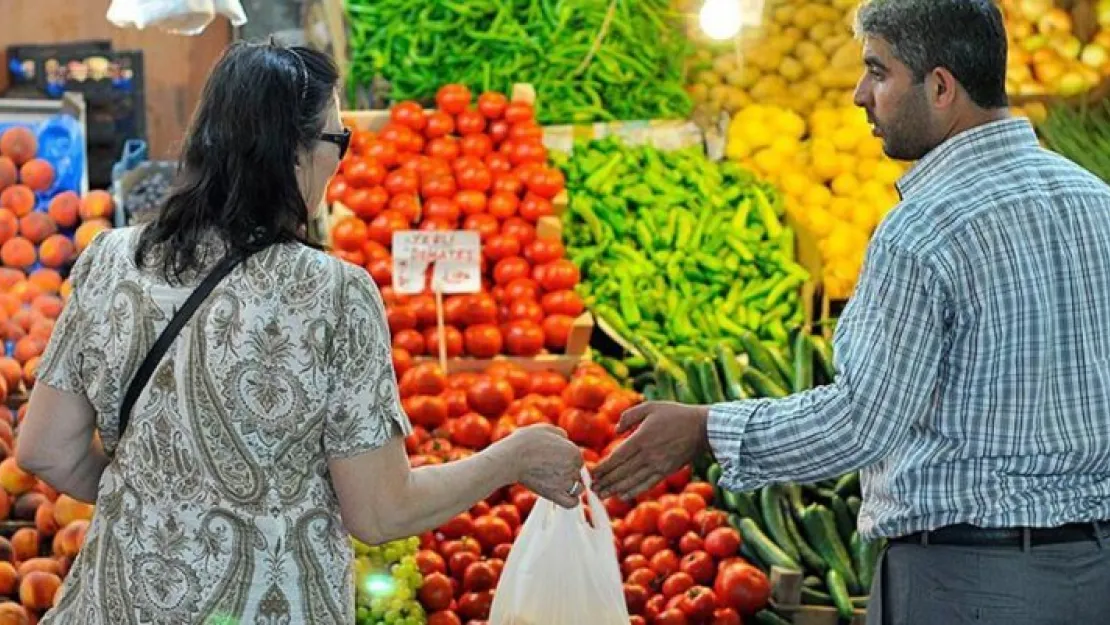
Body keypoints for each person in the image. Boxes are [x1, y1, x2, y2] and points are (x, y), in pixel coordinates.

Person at [16, 41, 584, 624]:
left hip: (117, 605)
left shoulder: (110, 259)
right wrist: (511, 458)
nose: (340, 160)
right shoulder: (336, 294)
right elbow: (381, 512)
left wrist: (162, 500)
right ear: (293, 152)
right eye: (338, 141)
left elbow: (44, 450)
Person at [593, 1, 1110, 623]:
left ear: (941, 86)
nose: (860, 94)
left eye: (878, 71)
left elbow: (862, 421)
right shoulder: (1095, 201)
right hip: (1093, 574)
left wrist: (706, 427)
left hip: (970, 584)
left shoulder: (922, 232)